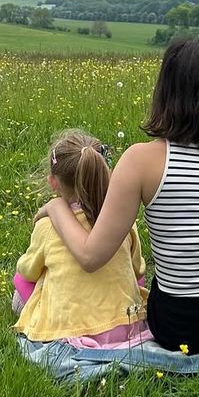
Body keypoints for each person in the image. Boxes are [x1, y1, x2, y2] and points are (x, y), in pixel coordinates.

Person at [37, 38, 199, 353]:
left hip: (178, 327)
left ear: (164, 93)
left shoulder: (139, 161)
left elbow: (91, 256)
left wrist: (55, 207)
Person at [13, 129, 151, 349]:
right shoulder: (123, 222)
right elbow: (138, 270)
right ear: (105, 173)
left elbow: (28, 271)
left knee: (21, 280)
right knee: (136, 280)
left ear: (53, 182)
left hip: (68, 330)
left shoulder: (47, 226)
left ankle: (52, 320)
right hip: (124, 325)